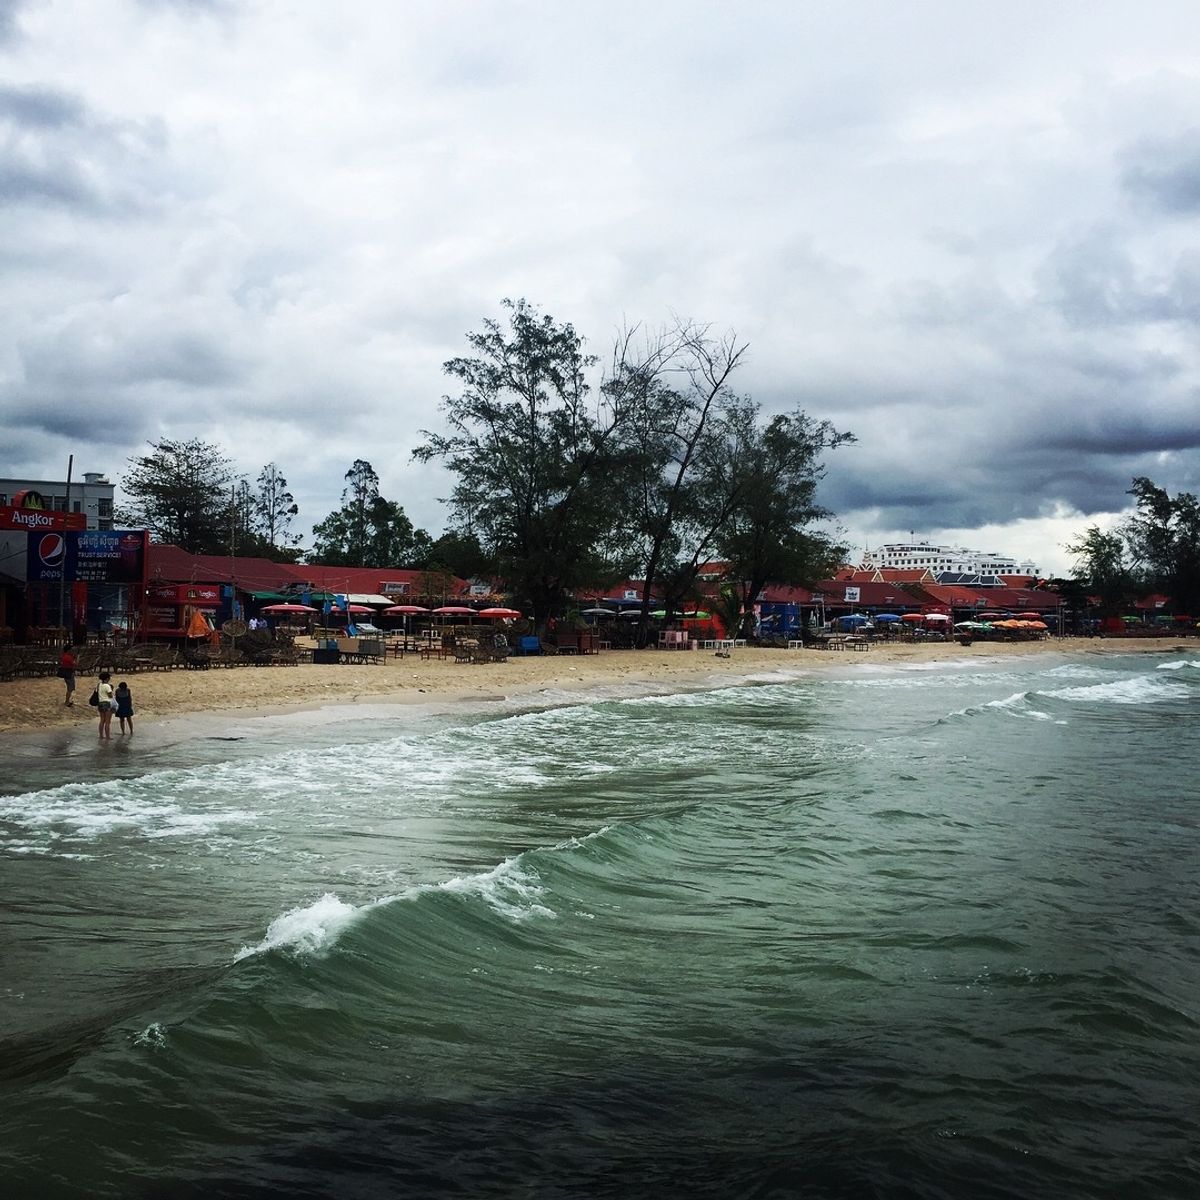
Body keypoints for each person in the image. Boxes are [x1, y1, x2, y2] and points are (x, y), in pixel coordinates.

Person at [96, 670, 115, 740]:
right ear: (107, 678)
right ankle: (108, 736)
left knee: (102, 720)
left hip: (100, 703)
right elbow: (110, 696)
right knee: (107, 722)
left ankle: (101, 735)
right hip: (107, 703)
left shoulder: (99, 685)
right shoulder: (107, 686)